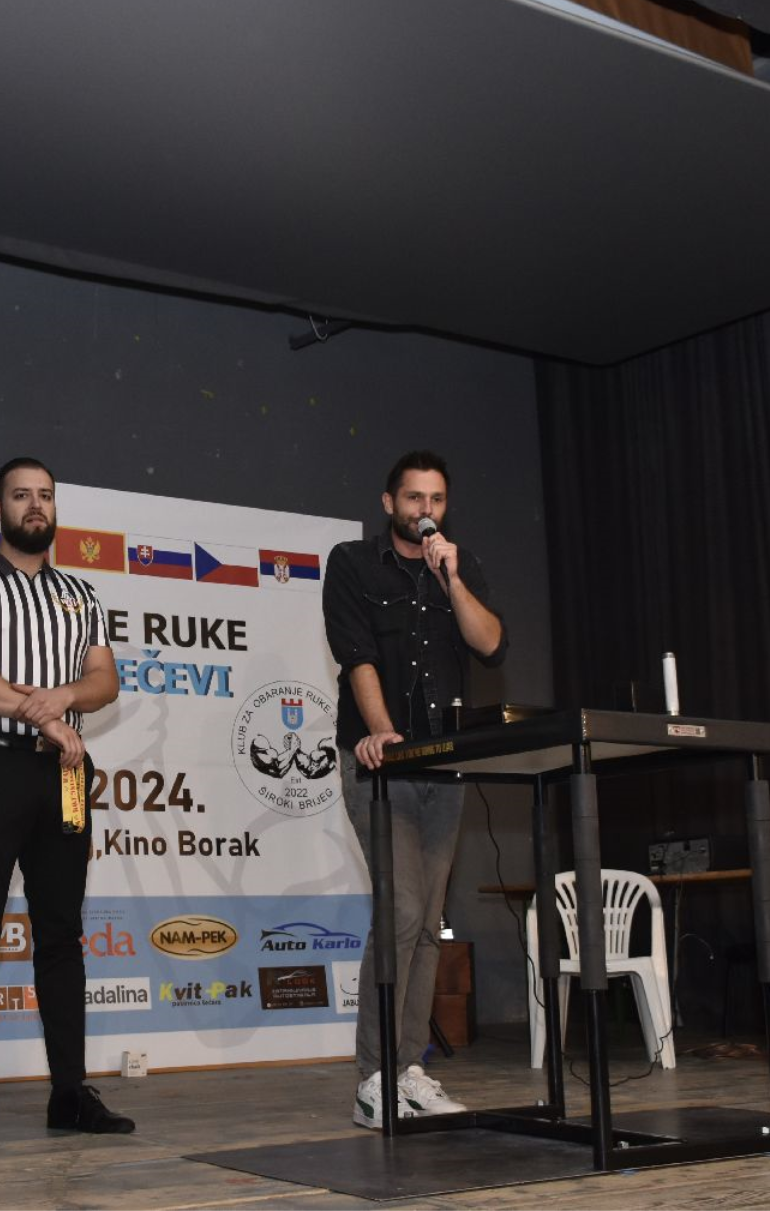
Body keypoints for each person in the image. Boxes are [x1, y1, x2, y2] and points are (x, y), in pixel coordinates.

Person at [0, 457, 132, 1148]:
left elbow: (103, 679)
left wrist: (65, 699)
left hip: (63, 770)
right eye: (21, 495)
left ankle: (69, 1093)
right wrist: (40, 713)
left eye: (45, 495)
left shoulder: (80, 592)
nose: (35, 505)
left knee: (62, 933)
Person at [322, 450, 507, 1127]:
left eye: (435, 500)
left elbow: (490, 645)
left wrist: (451, 579)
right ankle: (372, 1079)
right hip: (381, 766)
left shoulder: (459, 565)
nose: (424, 511)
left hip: (444, 770)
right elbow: (358, 656)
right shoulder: (353, 563)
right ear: (389, 503)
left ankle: (408, 1069)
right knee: (400, 914)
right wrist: (381, 732)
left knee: (429, 925)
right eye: (413, 498)